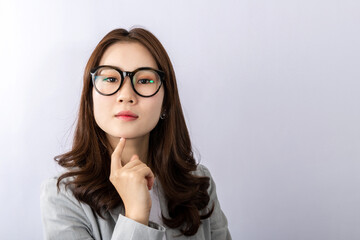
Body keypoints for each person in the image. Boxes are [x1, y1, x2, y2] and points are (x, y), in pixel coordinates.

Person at [40, 27, 231, 240]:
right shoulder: (63, 196)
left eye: (144, 80)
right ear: (90, 97)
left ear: (166, 101)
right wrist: (135, 216)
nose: (126, 95)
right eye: (111, 79)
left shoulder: (198, 182)